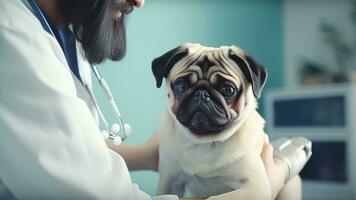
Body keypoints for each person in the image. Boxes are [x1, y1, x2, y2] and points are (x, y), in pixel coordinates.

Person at [0, 0, 287, 199]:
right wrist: (264, 188)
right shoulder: (11, 34)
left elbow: (64, 145)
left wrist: (147, 156)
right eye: (184, 85)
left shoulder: (67, 39)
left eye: (225, 90)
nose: (139, 3)